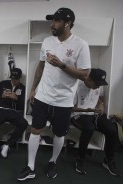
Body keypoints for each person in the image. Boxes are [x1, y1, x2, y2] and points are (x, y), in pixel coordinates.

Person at [17, 7, 91, 181]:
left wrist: (62, 65)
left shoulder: (81, 45)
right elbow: (41, 66)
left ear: (68, 24)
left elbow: (85, 74)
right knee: (35, 130)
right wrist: (33, 88)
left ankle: (52, 161)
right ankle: (30, 167)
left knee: (59, 134)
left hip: (64, 100)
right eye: (52, 20)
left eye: (56, 21)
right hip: (43, 96)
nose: (52, 24)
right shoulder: (47, 41)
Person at [71, 68, 120, 176]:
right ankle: (80, 158)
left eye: (100, 84)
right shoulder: (77, 87)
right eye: (97, 83)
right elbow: (70, 108)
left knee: (112, 129)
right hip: (78, 115)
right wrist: (87, 110)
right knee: (89, 128)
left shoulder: (99, 86)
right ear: (89, 79)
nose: (98, 86)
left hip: (94, 114)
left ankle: (108, 160)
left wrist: (101, 105)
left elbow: (101, 97)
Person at [0, 68, 28, 172]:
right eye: (12, 78)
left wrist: (16, 98)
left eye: (16, 79)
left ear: (20, 78)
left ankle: (7, 145)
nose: (14, 81)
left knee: (23, 123)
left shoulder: (22, 88)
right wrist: (2, 96)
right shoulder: (2, 84)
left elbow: (23, 106)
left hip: (11, 111)